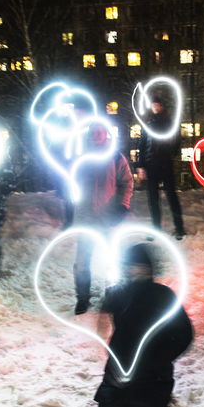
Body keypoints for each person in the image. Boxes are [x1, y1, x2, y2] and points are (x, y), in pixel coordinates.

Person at [94, 243, 193, 407]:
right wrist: (108, 345)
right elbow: (102, 322)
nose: (130, 269)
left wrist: (160, 359)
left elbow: (184, 334)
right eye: (127, 265)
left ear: (148, 268)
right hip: (119, 373)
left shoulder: (162, 295)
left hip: (152, 375)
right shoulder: (117, 293)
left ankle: (154, 402)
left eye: (136, 265)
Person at [73, 125, 134, 314]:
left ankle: (111, 296)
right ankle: (82, 298)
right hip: (85, 217)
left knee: (110, 259)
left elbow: (127, 182)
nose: (96, 135)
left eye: (99, 132)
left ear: (106, 134)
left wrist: (123, 206)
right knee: (82, 260)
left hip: (107, 218)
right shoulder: (81, 158)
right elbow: (72, 183)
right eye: (93, 132)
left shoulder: (116, 157)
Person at [136, 98, 186, 240]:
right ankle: (156, 229)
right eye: (153, 105)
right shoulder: (148, 124)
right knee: (153, 199)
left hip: (165, 163)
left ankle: (180, 228)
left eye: (158, 105)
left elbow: (177, 139)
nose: (155, 107)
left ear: (162, 106)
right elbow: (142, 144)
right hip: (151, 164)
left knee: (171, 196)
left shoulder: (169, 123)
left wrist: (172, 151)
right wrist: (141, 165)